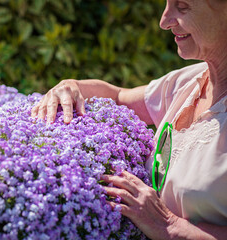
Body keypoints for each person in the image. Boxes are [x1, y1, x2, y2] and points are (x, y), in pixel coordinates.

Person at [31, 0, 227, 239]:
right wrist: (72, 87)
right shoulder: (190, 81)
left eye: (182, 6)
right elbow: (119, 97)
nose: (164, 22)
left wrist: (169, 225)